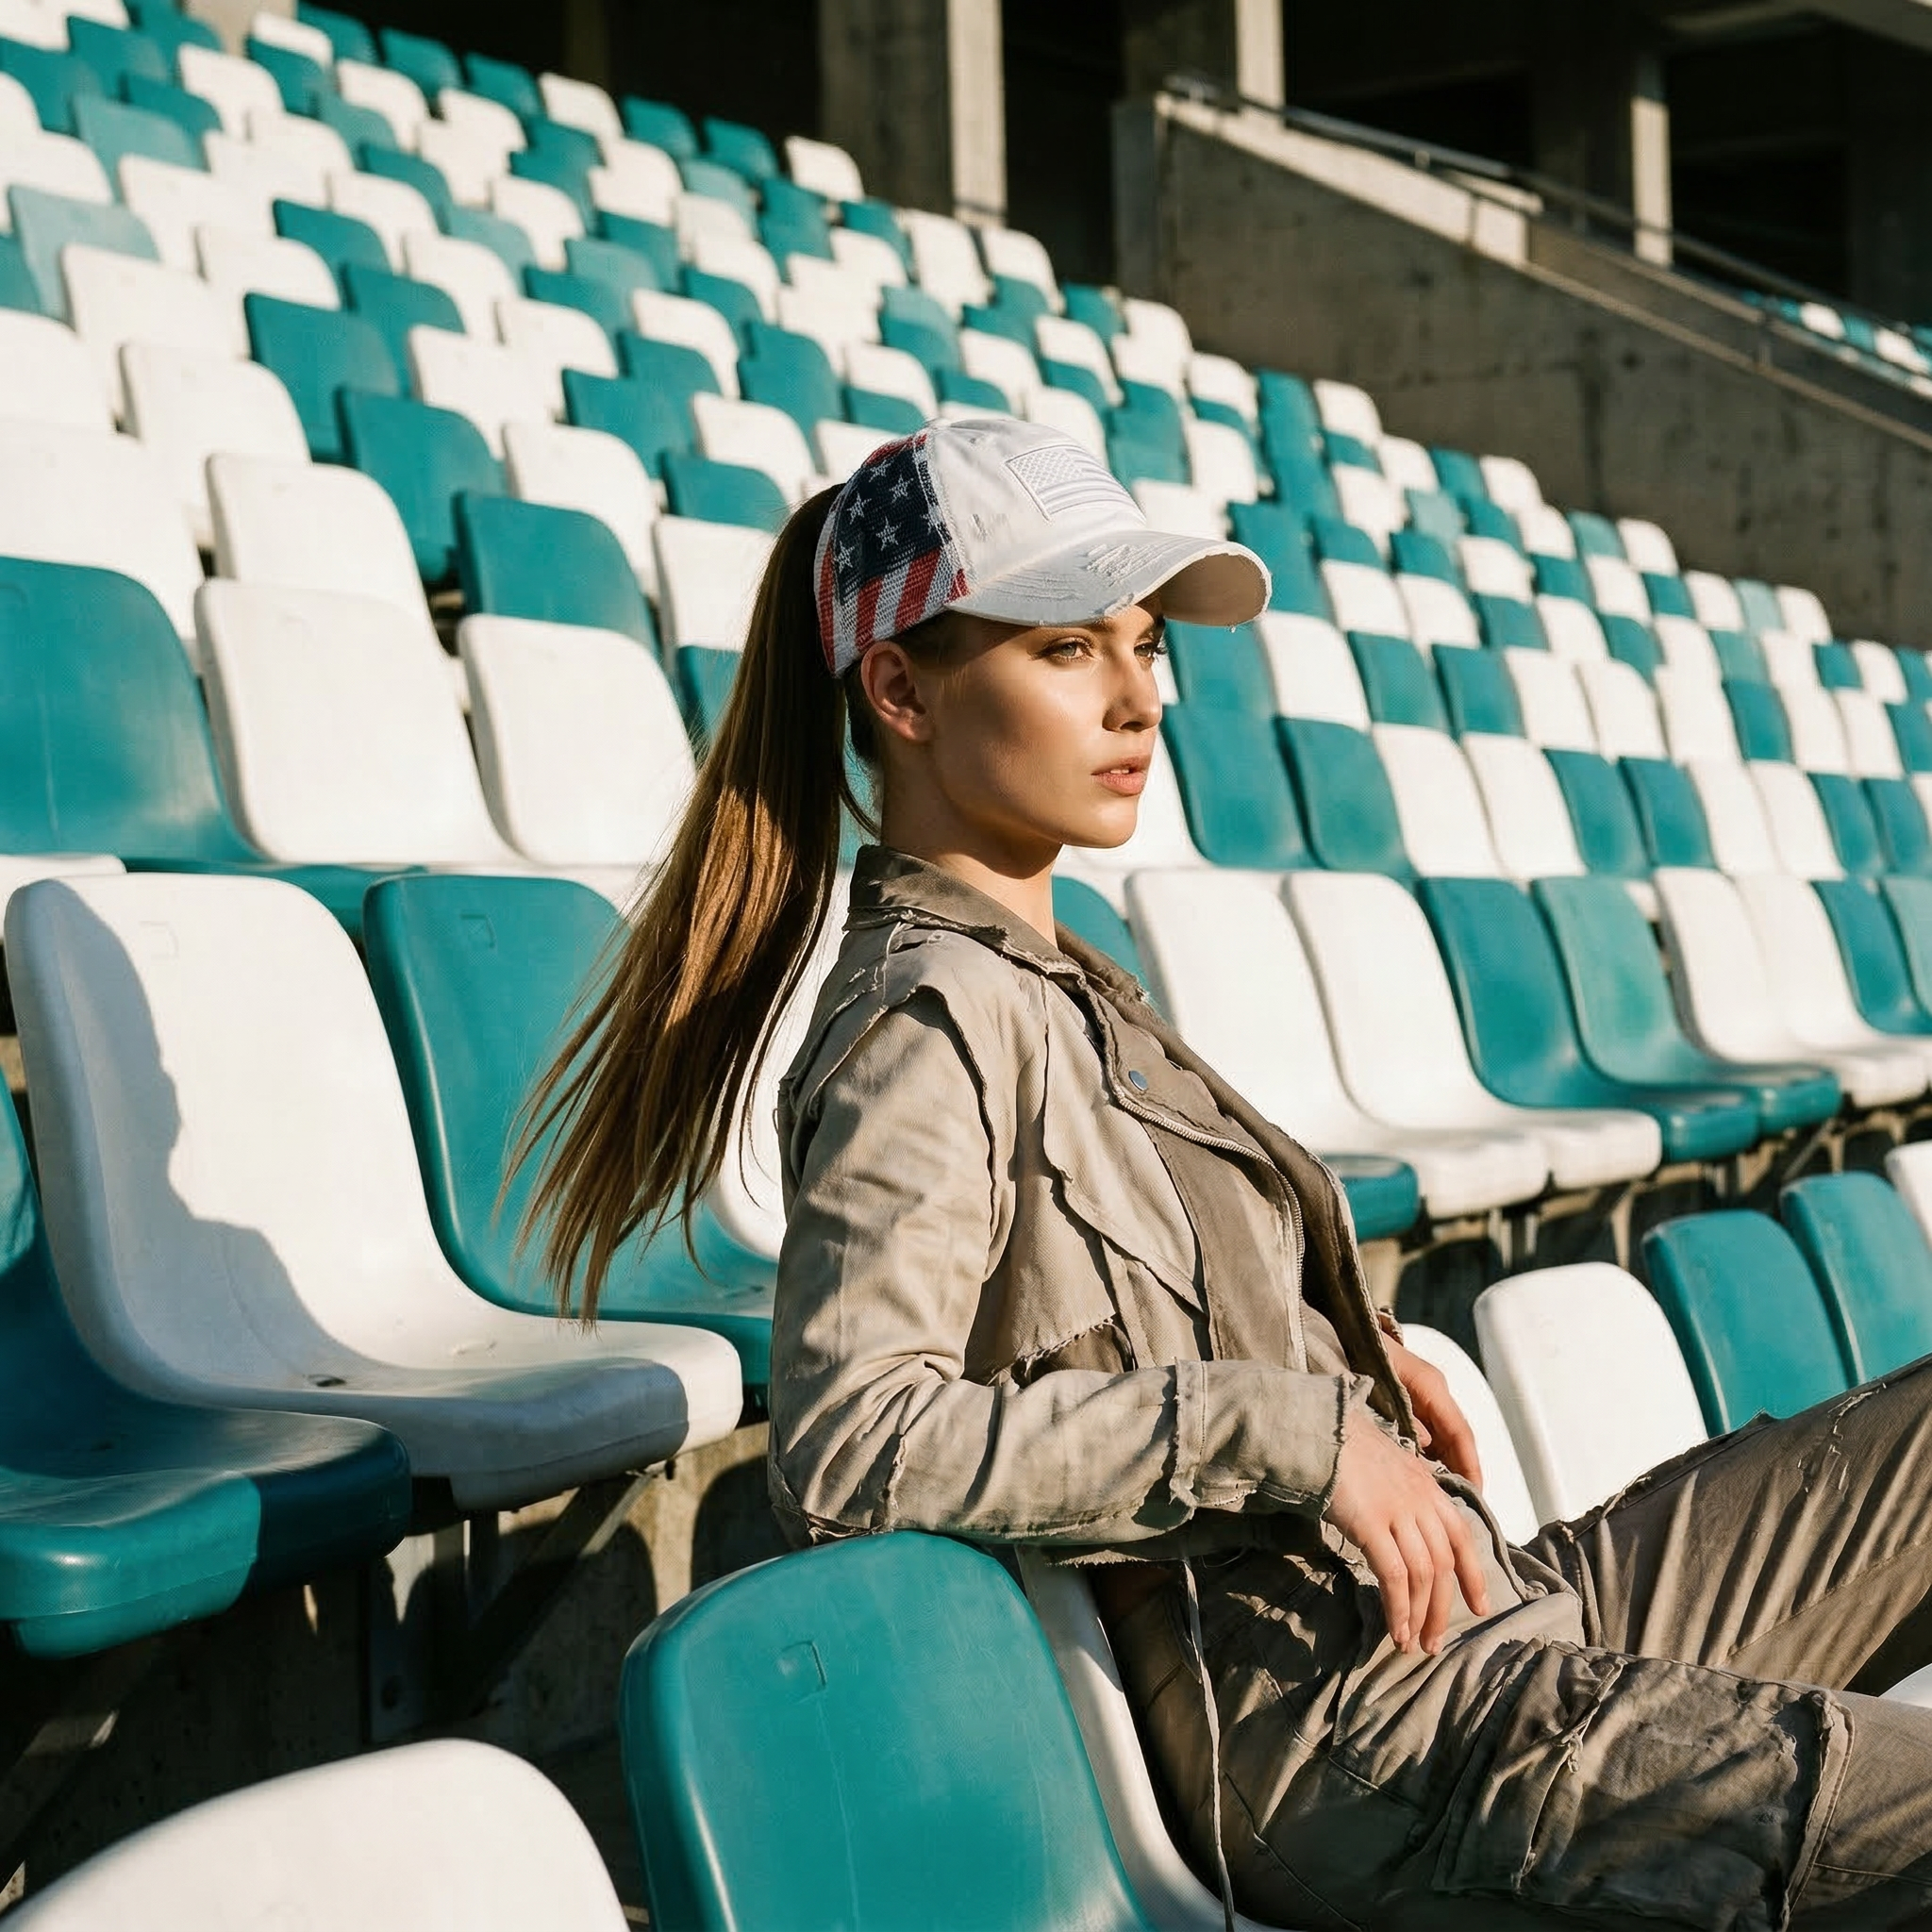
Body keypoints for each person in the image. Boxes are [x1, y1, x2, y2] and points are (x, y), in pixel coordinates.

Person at [522, 415, 1932, 1929]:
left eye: (1143, 645)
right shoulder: (926, 1022)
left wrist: (1333, 1342)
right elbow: (857, 1446)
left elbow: (1108, 1296)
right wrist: (1292, 1428)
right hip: (1361, 1739)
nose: (1141, 697)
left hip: (1475, 1620)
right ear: (900, 692)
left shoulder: (1061, 975)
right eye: (1068, 648)